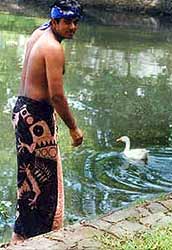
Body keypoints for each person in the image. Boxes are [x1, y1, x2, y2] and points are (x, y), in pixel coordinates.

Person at [11, 0, 84, 244]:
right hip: (35, 118)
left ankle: (22, 235)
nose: (72, 27)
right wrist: (73, 128)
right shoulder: (53, 47)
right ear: (54, 21)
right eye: (67, 22)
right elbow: (56, 95)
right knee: (44, 183)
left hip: (22, 110)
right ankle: (40, 239)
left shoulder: (38, 33)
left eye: (75, 22)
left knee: (27, 178)